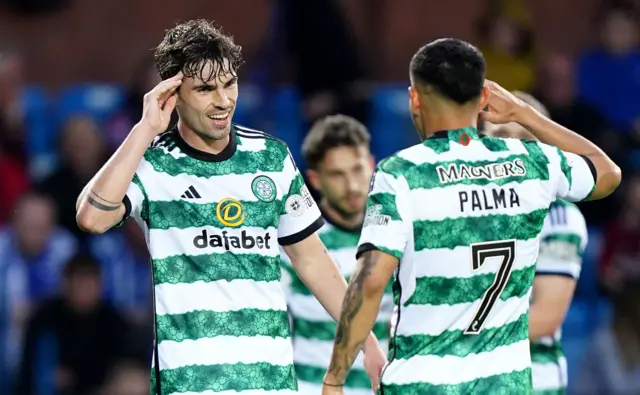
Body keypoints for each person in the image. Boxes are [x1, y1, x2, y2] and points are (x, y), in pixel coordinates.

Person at [75, 19, 385, 395]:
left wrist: (366, 344)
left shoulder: (271, 157)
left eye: (229, 84)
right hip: (189, 383)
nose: (223, 101)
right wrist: (145, 129)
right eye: (205, 89)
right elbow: (91, 217)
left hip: (270, 382)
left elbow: (313, 261)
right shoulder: (153, 164)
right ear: (173, 94)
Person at [321, 38, 621, 394]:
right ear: (483, 99)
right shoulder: (532, 163)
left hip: (423, 384)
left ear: (414, 98)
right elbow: (608, 172)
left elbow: (370, 283)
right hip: (505, 385)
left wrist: (335, 377)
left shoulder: (401, 172)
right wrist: (525, 114)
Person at [484, 92, 588, 394]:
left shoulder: (559, 216)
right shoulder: (456, 209)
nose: (514, 148)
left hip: (531, 381)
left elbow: (545, 318)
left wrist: (454, 333)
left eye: (526, 138)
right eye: (501, 135)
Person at [281, 115, 393, 395]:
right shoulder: (294, 245)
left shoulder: (396, 237)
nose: (353, 186)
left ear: (370, 165)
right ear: (315, 180)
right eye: (337, 175)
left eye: (357, 169)